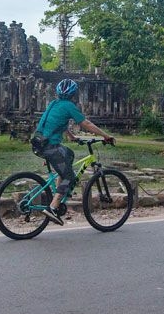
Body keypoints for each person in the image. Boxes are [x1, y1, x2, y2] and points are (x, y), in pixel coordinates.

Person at [31, 78, 115, 226]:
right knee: (69, 177)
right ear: (73, 94)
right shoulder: (69, 106)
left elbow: (60, 122)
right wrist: (105, 136)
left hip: (38, 143)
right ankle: (53, 207)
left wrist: (71, 137)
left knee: (69, 154)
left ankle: (58, 191)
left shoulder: (54, 104)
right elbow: (86, 124)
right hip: (50, 147)